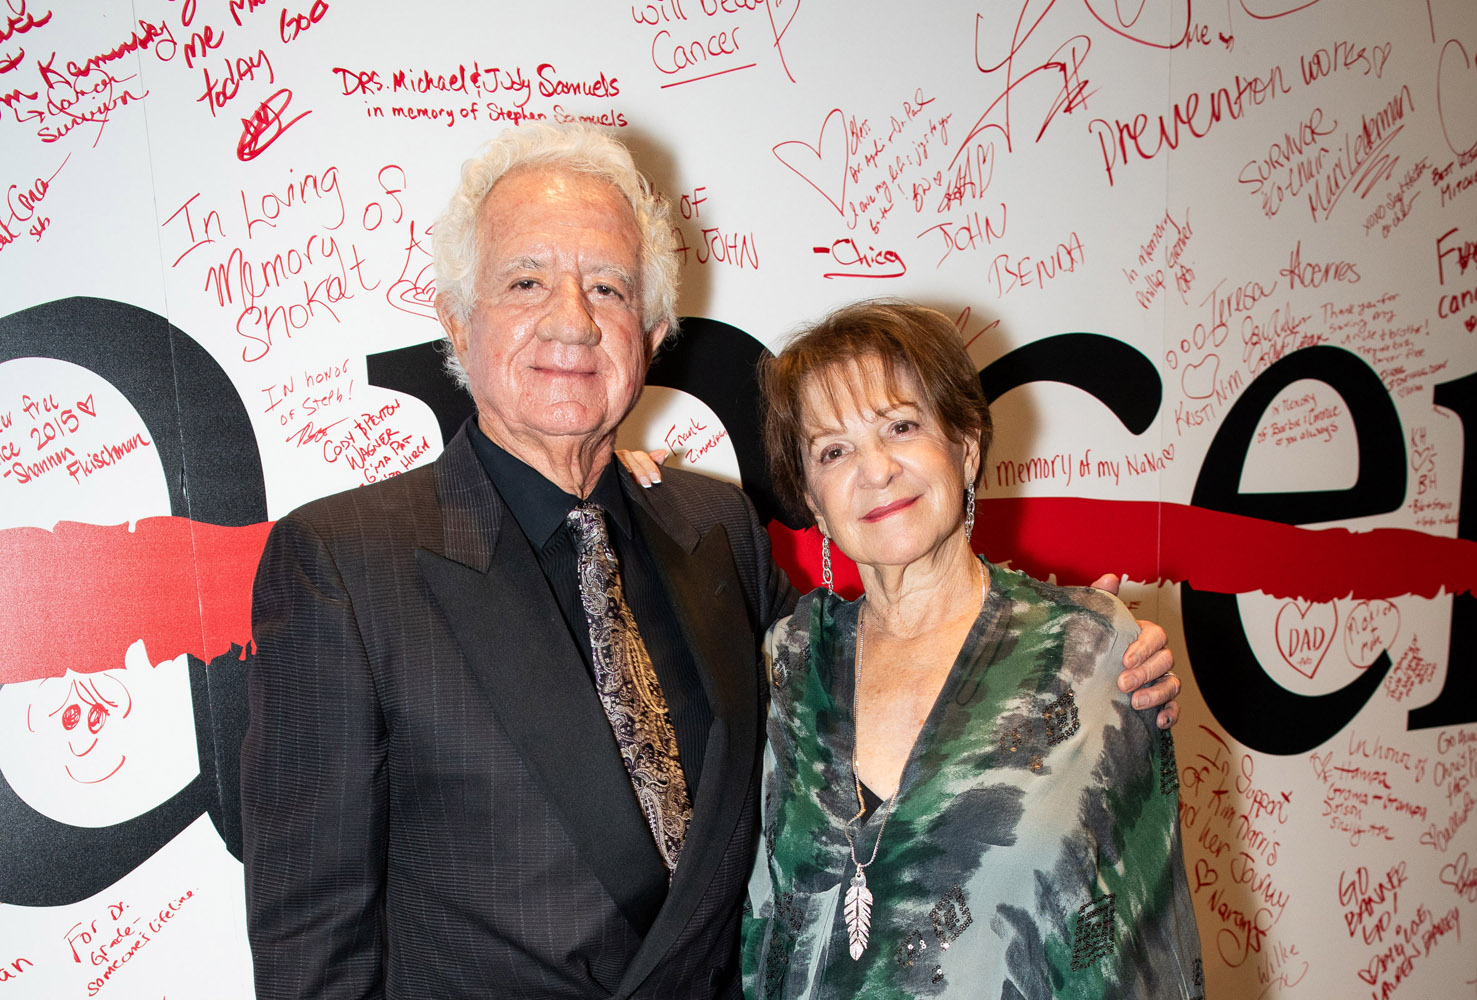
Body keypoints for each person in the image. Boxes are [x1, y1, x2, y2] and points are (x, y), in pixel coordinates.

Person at [241, 124, 1180, 1000]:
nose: (572, 321)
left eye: (608, 289)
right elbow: (311, 947)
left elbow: (888, 660)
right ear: (455, 320)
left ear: (652, 337)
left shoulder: (714, 527)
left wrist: (1075, 653)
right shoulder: (343, 567)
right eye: (526, 282)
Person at [739, 301, 1202, 998]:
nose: (875, 470)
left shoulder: (1087, 650)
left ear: (966, 446)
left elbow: (1148, 940)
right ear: (811, 499)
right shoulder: (791, 661)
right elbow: (759, 927)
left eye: (901, 426)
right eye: (834, 451)